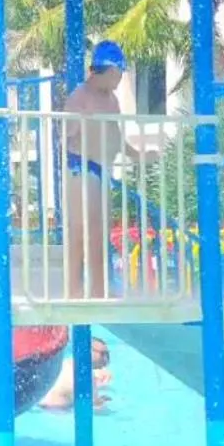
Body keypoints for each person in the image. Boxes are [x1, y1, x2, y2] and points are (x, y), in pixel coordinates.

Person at [60, 40, 144, 300]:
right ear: (108, 71)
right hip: (80, 169)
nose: (120, 81)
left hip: (101, 169)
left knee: (99, 233)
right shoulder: (80, 96)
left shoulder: (112, 100)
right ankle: (74, 289)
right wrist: (77, 122)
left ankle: (99, 288)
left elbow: (115, 137)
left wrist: (137, 155)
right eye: (119, 75)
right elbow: (64, 135)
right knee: (80, 232)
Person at [41, 336, 112, 411]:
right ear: (88, 351)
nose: (106, 359)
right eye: (103, 354)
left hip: (45, 404)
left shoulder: (66, 364)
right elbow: (96, 407)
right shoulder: (84, 376)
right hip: (59, 411)